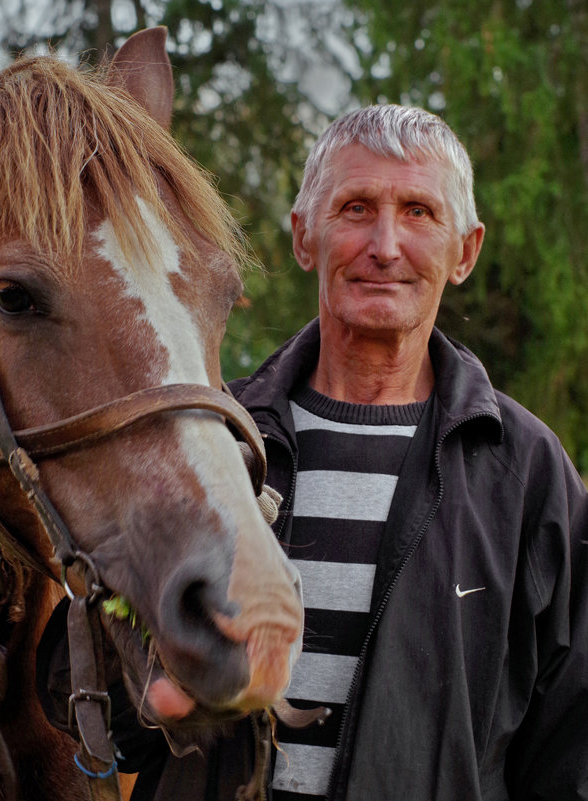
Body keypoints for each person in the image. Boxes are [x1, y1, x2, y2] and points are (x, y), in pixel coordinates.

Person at [38, 104, 588, 800]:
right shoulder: (207, 444)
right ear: (304, 237)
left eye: (419, 211)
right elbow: (78, 693)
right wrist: (148, 682)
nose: (385, 244)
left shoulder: (527, 477)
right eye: (356, 207)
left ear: (465, 252)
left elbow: (571, 751)